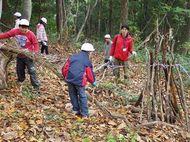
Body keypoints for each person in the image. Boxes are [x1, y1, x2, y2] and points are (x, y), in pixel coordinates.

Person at [0, 19, 40, 93]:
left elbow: (35, 44)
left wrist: (35, 52)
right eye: (22, 27)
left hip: (28, 55)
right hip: (19, 55)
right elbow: (6, 35)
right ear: (19, 26)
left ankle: (36, 86)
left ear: (28, 27)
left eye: (26, 27)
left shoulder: (31, 34)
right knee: (19, 70)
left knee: (32, 70)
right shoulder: (15, 31)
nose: (24, 29)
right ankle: (20, 81)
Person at [62, 43, 96, 118]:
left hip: (70, 79)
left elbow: (65, 68)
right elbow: (89, 73)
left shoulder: (72, 57)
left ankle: (76, 110)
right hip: (79, 81)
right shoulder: (87, 61)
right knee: (82, 96)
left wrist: (66, 77)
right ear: (89, 52)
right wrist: (93, 81)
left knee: (72, 94)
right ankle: (84, 114)